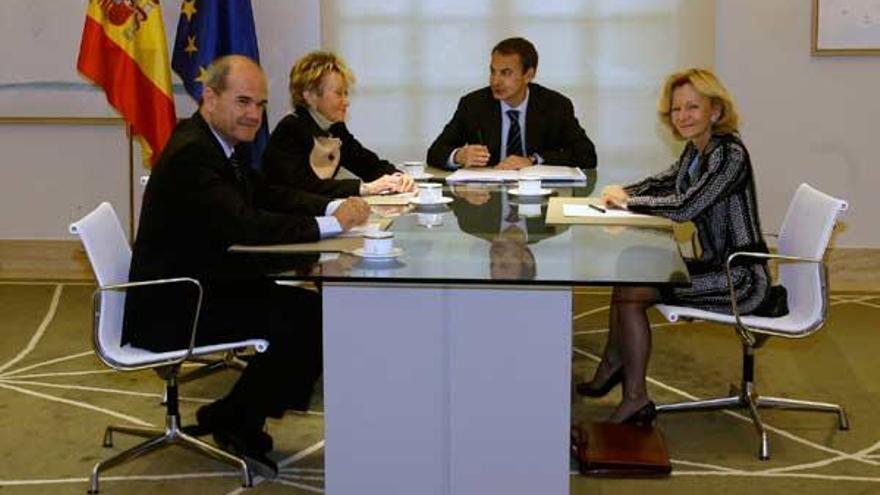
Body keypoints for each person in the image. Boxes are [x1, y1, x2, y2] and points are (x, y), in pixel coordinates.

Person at [123, 55, 371, 476]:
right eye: (243, 101)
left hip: (202, 282)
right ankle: (235, 417)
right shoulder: (194, 153)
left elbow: (268, 194)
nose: (254, 114)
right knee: (304, 321)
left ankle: (236, 412)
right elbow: (246, 224)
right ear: (210, 97)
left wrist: (334, 207)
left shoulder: (217, 144)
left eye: (260, 104)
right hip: (176, 303)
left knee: (309, 313)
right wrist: (329, 224)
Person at [576, 68, 771, 424]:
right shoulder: (697, 151)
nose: (683, 116)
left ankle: (634, 397)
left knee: (634, 291)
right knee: (631, 264)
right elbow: (666, 182)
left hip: (739, 276)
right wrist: (625, 191)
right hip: (716, 265)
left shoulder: (729, 155)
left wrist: (628, 204)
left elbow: (685, 206)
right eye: (677, 109)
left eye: (693, 107)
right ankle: (612, 365)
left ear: (715, 111)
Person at [427, 37, 597, 171]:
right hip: (487, 204)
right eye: (493, 71)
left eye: (505, 73)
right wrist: (458, 156)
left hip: (539, 204)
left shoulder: (555, 105)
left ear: (528, 75)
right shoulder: (474, 104)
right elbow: (435, 152)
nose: (495, 81)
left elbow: (586, 155)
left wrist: (533, 160)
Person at [262, 50, 415, 198]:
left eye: (346, 93)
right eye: (338, 93)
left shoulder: (335, 128)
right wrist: (365, 188)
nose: (346, 102)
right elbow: (304, 186)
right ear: (310, 96)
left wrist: (398, 177)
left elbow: (366, 163)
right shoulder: (289, 130)